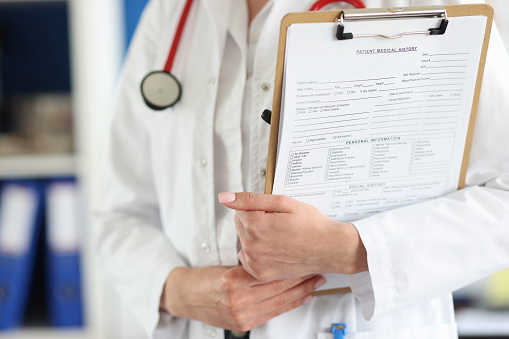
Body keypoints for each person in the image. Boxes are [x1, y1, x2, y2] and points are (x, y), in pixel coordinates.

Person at [94, 0, 509, 338]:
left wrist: (350, 248)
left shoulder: (424, 5)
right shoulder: (171, 14)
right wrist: (177, 289)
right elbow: (119, 214)